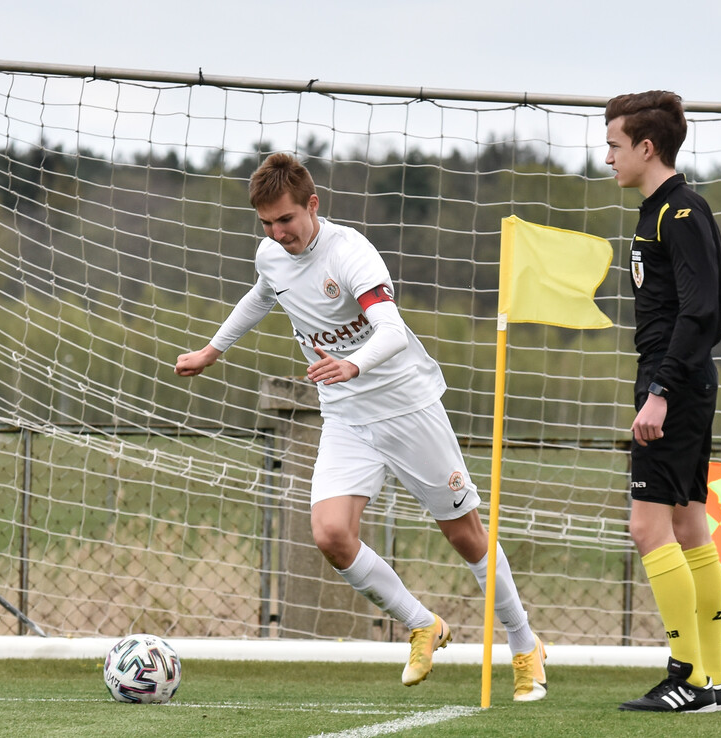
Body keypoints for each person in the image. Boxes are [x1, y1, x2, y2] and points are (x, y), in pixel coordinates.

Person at [175, 152, 547, 701]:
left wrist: (352, 364)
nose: (278, 234)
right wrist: (212, 350)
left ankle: (524, 643)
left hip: (407, 408)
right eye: (267, 225)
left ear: (312, 205)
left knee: (464, 534)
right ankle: (423, 624)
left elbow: (392, 332)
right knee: (330, 534)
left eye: (287, 221)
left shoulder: (350, 255)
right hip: (347, 417)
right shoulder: (270, 255)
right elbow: (261, 295)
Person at [605, 91, 721, 713]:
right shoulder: (658, 211)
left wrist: (658, 392)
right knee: (687, 524)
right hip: (681, 384)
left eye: (614, 145)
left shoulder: (679, 213)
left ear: (646, 147)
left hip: (672, 387)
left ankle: (689, 678)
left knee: (647, 527)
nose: (608, 158)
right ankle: (714, 676)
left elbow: (701, 310)